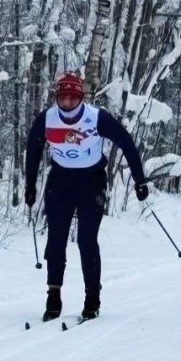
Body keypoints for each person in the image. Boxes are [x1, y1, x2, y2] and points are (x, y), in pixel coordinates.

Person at [24, 71, 149, 321]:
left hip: (91, 182)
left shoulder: (96, 117)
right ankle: (53, 296)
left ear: (81, 97)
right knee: (56, 238)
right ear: (56, 98)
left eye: (72, 98)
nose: (68, 103)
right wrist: (30, 184)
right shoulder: (47, 119)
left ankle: (92, 297)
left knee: (86, 240)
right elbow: (33, 148)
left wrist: (139, 179)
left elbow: (125, 142)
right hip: (60, 181)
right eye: (63, 98)